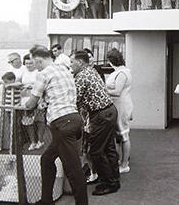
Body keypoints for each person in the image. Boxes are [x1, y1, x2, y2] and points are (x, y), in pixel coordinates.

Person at [24, 45, 87, 205]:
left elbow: (31, 103)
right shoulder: (64, 69)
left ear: (38, 60)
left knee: (73, 170)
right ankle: (46, 200)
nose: (34, 66)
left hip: (62, 123)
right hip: (73, 119)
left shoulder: (43, 74)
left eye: (34, 63)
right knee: (47, 159)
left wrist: (24, 102)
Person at [70, 50, 120, 195]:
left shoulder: (81, 76)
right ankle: (114, 179)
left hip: (100, 115)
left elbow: (75, 99)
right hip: (110, 111)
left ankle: (108, 183)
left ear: (79, 62)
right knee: (109, 148)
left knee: (96, 151)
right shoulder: (91, 71)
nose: (70, 65)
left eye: (72, 62)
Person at [105, 48, 134, 174]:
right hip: (119, 105)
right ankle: (120, 160)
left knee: (123, 134)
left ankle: (125, 164)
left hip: (121, 105)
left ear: (111, 61)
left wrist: (103, 90)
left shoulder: (122, 73)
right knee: (119, 135)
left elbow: (117, 92)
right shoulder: (122, 71)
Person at [20, 54, 46, 151]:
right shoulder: (24, 72)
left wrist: (30, 86)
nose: (29, 65)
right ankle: (33, 142)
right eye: (27, 63)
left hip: (38, 99)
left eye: (31, 63)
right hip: (26, 99)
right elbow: (19, 82)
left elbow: (41, 84)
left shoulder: (39, 72)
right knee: (28, 122)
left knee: (40, 121)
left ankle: (40, 140)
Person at [0, 72, 21, 152]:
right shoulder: (9, 85)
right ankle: (11, 145)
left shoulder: (16, 86)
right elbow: (4, 83)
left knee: (15, 128)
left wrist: (9, 85)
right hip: (8, 110)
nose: (5, 84)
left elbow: (19, 84)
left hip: (15, 111)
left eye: (6, 82)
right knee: (10, 128)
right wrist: (1, 83)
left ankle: (16, 146)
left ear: (12, 80)